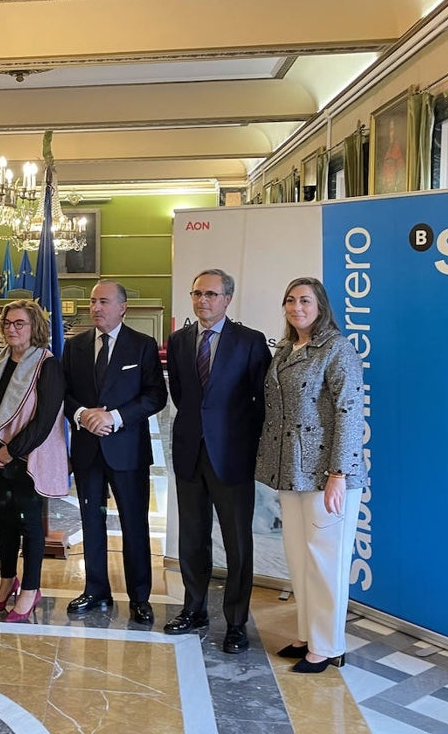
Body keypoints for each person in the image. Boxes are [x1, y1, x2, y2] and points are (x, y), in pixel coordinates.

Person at [256, 277, 366, 673]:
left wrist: (339, 472)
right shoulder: (285, 349)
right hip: (290, 471)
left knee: (325, 561)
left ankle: (329, 645)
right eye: (290, 300)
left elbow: (349, 411)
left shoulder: (337, 349)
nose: (296, 306)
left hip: (326, 473)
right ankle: (308, 635)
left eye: (305, 300)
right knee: (300, 559)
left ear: (321, 306)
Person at [164, 269, 270, 651]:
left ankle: (237, 623)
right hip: (191, 452)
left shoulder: (251, 341)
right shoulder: (178, 341)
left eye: (211, 294)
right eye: (197, 293)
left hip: (233, 456)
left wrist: (245, 442)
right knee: (192, 538)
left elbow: (262, 401)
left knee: (237, 543)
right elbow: (181, 394)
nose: (202, 301)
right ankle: (194, 609)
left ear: (228, 299)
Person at [63, 280, 167, 625]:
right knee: (91, 521)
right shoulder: (74, 347)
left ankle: (140, 597)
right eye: (92, 301)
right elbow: (63, 395)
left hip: (127, 451)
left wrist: (115, 417)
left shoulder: (142, 346)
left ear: (123, 307)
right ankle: (96, 590)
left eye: (104, 302)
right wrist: (82, 416)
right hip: (87, 449)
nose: (96, 308)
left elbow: (156, 396)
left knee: (133, 524)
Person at [0, 299, 67, 623]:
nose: (12, 329)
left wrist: (11, 451)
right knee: (4, 522)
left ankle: (30, 589)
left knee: (30, 526)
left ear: (35, 328)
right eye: (8, 324)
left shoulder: (47, 363)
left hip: (27, 458)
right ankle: (6, 582)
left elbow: (45, 420)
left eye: (20, 324)